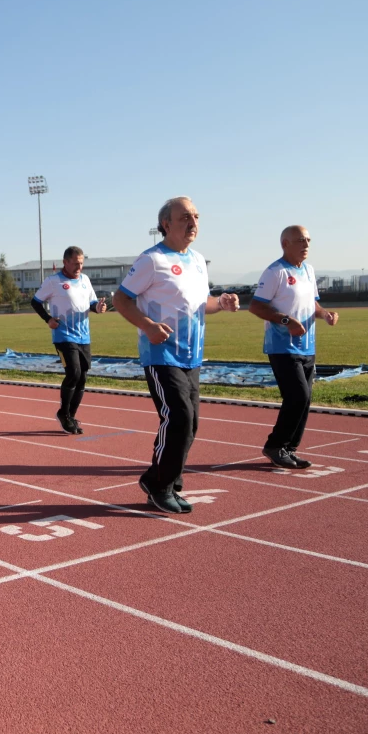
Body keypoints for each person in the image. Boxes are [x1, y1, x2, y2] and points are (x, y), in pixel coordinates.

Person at [113, 197, 240, 514]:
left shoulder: (197, 260)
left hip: (192, 355)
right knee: (179, 418)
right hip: (161, 354)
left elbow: (203, 302)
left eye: (196, 216)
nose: (193, 222)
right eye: (185, 217)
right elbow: (121, 299)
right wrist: (147, 326)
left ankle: (160, 479)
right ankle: (161, 486)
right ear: (166, 224)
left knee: (191, 423)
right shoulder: (151, 260)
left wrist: (221, 304)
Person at [248, 226, 339, 469]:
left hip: (307, 346)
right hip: (282, 347)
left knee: (304, 399)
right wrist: (287, 321)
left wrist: (325, 314)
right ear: (285, 244)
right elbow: (256, 306)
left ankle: (289, 449)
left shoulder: (308, 270)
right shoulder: (275, 271)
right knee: (298, 396)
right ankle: (275, 445)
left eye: (308, 240)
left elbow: (314, 304)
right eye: (301, 240)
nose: (306, 244)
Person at [31, 246, 107, 434]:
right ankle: (63, 413)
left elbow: (91, 303)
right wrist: (48, 319)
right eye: (75, 263)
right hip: (64, 335)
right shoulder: (53, 281)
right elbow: (35, 301)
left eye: (81, 263)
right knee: (73, 372)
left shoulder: (85, 280)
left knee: (82, 377)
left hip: (84, 335)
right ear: (65, 262)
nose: (79, 266)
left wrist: (98, 307)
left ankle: (70, 416)